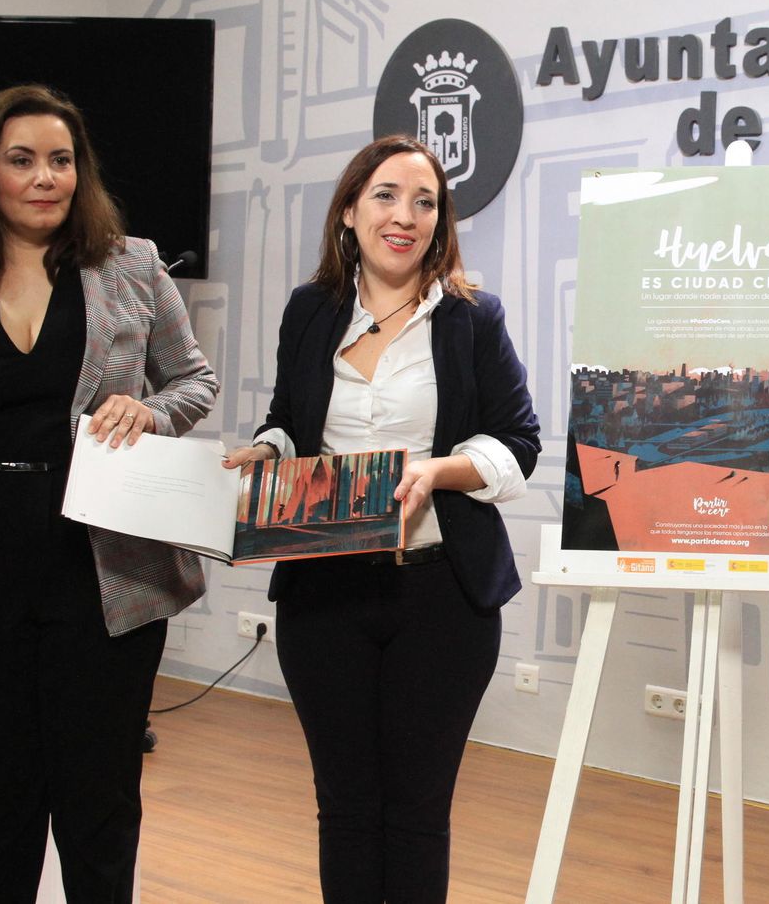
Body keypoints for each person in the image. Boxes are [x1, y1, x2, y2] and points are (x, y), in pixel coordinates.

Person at [0, 84, 217, 903]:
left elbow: (195, 380)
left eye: (61, 159)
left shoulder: (131, 264)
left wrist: (149, 408)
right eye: (22, 160)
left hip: (106, 569)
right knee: (0, 802)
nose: (45, 176)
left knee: (100, 804)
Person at [223, 134, 540, 903]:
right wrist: (268, 451)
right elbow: (289, 421)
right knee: (346, 807)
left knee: (418, 813)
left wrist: (441, 469)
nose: (406, 215)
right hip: (322, 594)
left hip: (441, 597)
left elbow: (519, 442)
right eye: (387, 196)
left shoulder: (472, 317)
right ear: (349, 212)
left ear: (441, 220)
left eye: (425, 201)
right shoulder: (309, 311)